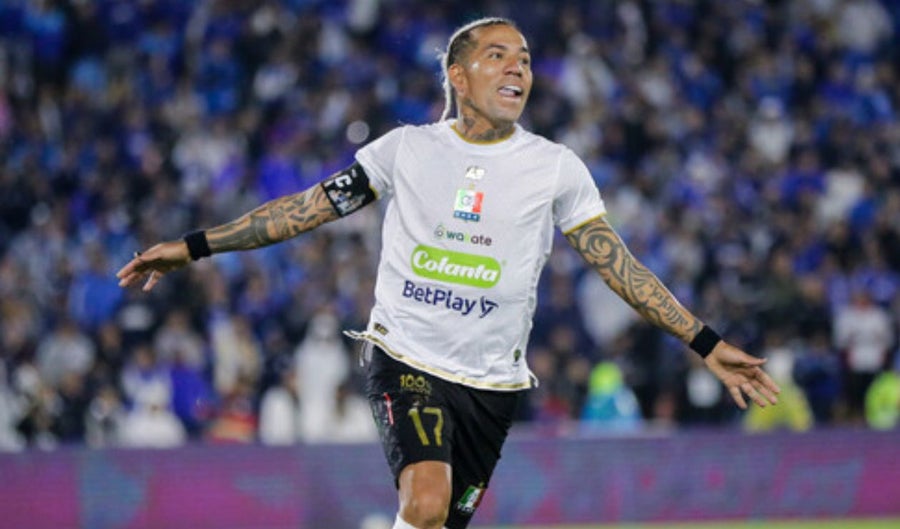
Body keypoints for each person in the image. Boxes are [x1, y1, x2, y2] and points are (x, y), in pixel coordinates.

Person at [117, 17, 781, 529]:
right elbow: (302, 210)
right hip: (405, 356)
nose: (518, 67)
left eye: (525, 59)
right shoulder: (405, 149)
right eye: (498, 55)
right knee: (427, 502)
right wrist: (194, 246)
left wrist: (705, 342)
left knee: (434, 523)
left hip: (492, 383)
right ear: (458, 78)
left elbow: (619, 266)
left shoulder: (555, 167)